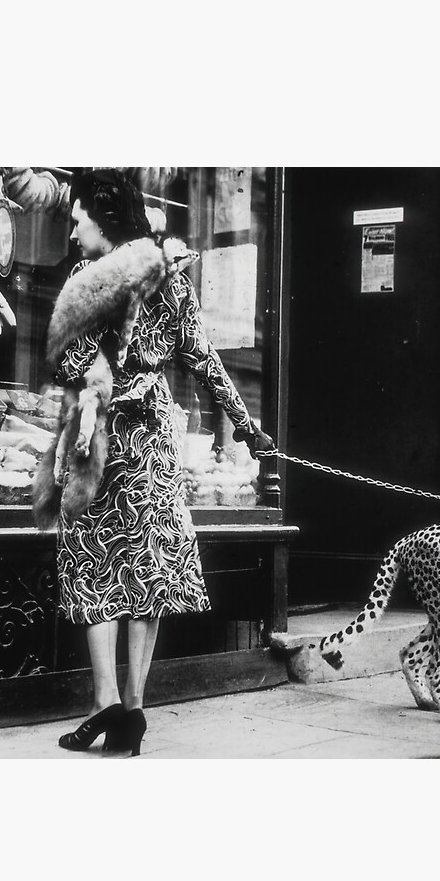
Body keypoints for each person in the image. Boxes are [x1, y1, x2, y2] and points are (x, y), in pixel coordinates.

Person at [53, 169, 274, 756]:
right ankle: (128, 709)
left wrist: (247, 428)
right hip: (147, 438)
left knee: (96, 565)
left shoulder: (88, 281)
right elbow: (206, 361)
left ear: (104, 221)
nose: (74, 234)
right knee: (143, 570)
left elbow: (66, 366)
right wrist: (247, 427)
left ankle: (111, 703)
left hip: (100, 441)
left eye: (78, 222)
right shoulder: (170, 283)